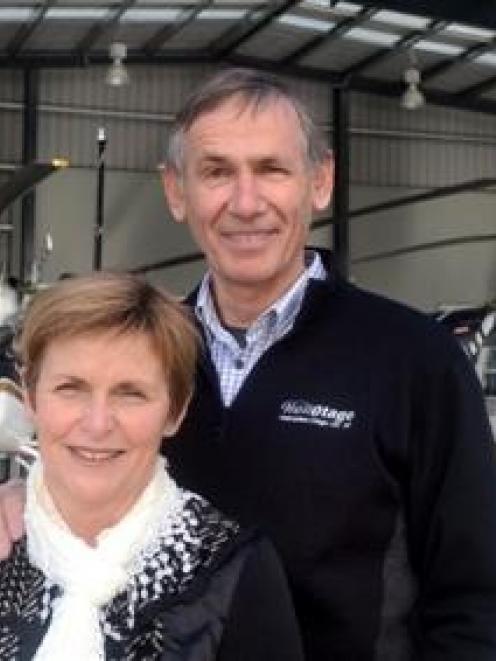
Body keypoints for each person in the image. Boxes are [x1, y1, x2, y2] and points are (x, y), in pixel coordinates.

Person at [1, 68, 496, 660]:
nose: (245, 202)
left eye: (271, 169)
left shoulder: (416, 359)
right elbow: (93, 464)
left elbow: (476, 593)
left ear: (320, 181)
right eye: (216, 172)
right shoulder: (151, 358)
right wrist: (26, 498)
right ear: (176, 190)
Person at [0, 272, 304, 660]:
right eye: (70, 388)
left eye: (131, 394)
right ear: (30, 395)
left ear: (175, 411)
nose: (97, 423)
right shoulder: (7, 544)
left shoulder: (233, 572)